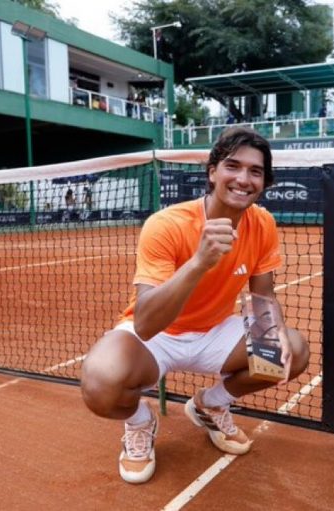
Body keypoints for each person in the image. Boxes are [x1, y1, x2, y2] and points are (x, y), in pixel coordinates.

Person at [80, 126, 310, 484]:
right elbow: (145, 324)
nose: (243, 179)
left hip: (214, 331)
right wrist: (199, 262)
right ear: (212, 172)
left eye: (255, 171)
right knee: (100, 383)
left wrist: (273, 341)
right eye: (233, 166)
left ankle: (211, 403)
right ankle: (140, 422)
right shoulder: (166, 224)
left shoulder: (263, 223)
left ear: (264, 182)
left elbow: (263, 298)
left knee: (291, 349)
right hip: (156, 337)